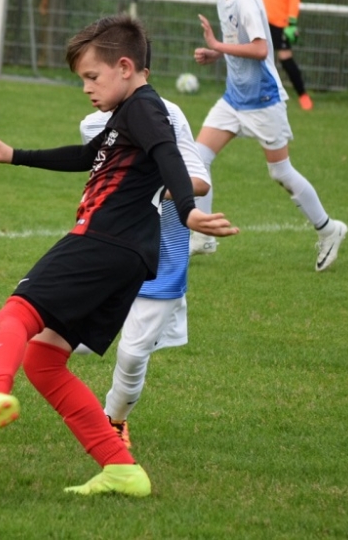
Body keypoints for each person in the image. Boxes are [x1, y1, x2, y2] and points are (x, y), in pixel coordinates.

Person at [0, 14, 238, 497]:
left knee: (14, 314)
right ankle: (120, 469)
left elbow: (168, 153)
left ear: (125, 67)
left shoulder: (145, 108)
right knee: (44, 360)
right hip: (129, 256)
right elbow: (86, 157)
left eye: (92, 77)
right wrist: (15, 154)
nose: (86, 88)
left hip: (102, 239)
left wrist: (186, 210)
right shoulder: (127, 114)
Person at [188, 0, 346, 271]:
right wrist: (218, 54)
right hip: (234, 99)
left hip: (262, 101)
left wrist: (217, 45)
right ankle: (203, 236)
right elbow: (240, 43)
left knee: (280, 172)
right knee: (197, 158)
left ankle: (329, 229)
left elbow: (260, 49)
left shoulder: (247, 1)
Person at [79, 80, 210, 449]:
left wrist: (147, 189)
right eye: (86, 77)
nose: (88, 87)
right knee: (63, 335)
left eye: (95, 76)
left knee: (133, 354)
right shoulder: (92, 124)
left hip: (162, 257)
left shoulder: (168, 114)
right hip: (110, 249)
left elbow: (199, 182)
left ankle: (115, 419)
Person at [258, 0, 312, 111]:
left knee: (285, 59)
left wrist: (292, 22)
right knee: (261, 60)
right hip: (265, 23)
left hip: (282, 24)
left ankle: (303, 95)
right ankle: (265, 96)